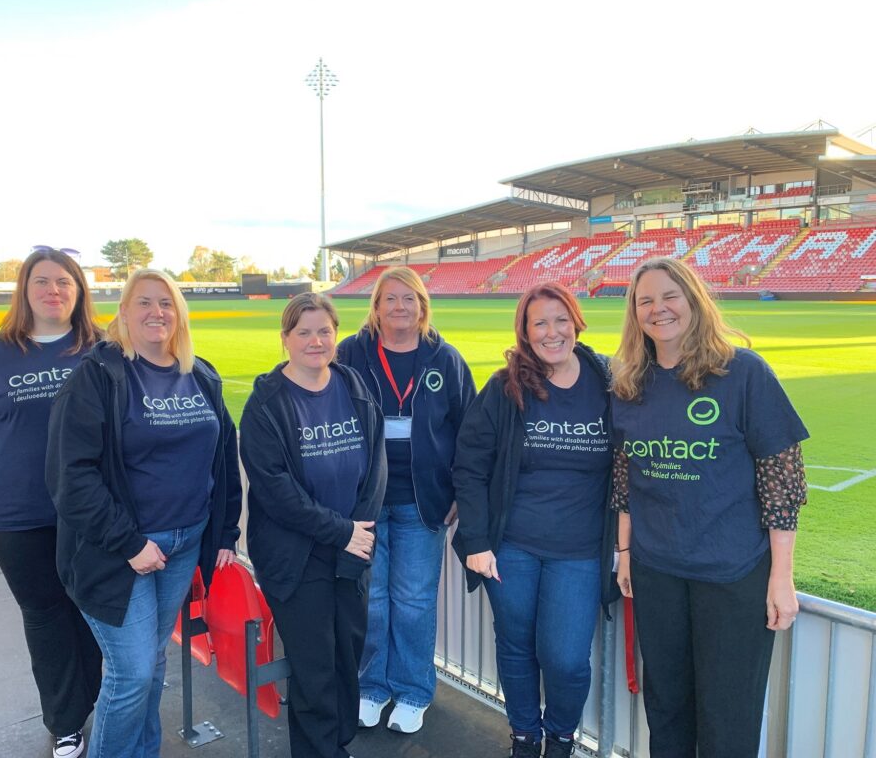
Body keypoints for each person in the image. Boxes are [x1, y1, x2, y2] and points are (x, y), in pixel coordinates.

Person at [611, 257, 808, 758]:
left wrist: (781, 577)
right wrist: (626, 552)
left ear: (694, 299)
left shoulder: (743, 373)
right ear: (635, 314)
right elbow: (625, 478)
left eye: (670, 295)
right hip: (658, 572)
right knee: (668, 711)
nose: (659, 309)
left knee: (728, 718)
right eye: (645, 301)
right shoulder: (630, 382)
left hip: (732, 575)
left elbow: (782, 479)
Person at [46, 268, 242, 758]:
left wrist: (225, 533)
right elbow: (72, 478)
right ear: (124, 314)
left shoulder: (201, 374)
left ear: (180, 314)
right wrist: (131, 544)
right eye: (145, 303)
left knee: (151, 664)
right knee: (132, 673)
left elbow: (222, 457)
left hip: (184, 542)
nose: (157, 312)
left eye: (167, 303)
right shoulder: (98, 377)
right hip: (119, 551)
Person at [0, 245, 103, 758]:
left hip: (92, 514)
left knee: (93, 613)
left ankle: (99, 700)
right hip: (18, 514)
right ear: (25, 290)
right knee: (44, 616)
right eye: (42, 281)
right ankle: (65, 721)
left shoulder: (101, 349)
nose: (53, 290)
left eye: (64, 281)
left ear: (78, 291)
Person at [452, 283, 618, 758]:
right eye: (539, 323)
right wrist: (478, 541)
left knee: (565, 659)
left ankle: (561, 739)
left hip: (580, 551)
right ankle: (525, 737)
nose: (552, 332)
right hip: (512, 547)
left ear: (576, 321)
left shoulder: (609, 380)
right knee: (517, 645)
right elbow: (470, 463)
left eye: (560, 319)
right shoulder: (506, 387)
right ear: (525, 332)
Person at [239, 292, 386, 758]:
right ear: (285, 339)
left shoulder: (354, 385)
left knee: (347, 655)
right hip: (296, 556)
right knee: (314, 666)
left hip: (351, 551)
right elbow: (277, 492)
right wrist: (341, 532)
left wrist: (356, 532)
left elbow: (376, 466)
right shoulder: (266, 403)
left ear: (336, 335)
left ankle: (336, 742)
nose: (315, 341)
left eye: (324, 331)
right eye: (303, 332)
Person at [336, 266, 476, 734]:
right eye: (390, 298)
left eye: (408, 298)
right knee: (372, 599)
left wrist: (457, 490)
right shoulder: (351, 354)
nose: (400, 307)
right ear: (375, 306)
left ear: (422, 305)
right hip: (364, 504)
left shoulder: (446, 359)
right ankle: (372, 686)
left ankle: (414, 691)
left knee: (413, 601)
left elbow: (468, 432)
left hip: (424, 502)